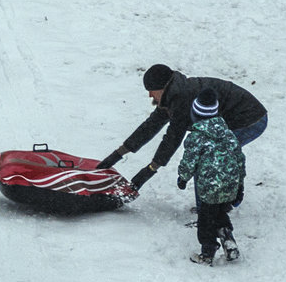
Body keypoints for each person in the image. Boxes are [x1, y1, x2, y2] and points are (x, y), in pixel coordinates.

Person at [96, 64, 267, 191]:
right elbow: (150, 126)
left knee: (209, 161)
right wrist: (117, 154)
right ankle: (215, 206)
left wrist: (149, 170)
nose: (149, 95)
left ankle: (213, 212)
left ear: (162, 88)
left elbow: (172, 137)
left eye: (151, 90)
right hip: (236, 117)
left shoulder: (182, 100)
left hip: (249, 119)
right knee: (210, 158)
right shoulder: (173, 94)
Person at [177, 88, 246, 265]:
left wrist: (183, 177)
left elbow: (189, 161)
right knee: (221, 213)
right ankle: (228, 240)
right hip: (230, 184)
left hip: (209, 188)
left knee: (206, 219)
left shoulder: (196, 137)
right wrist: (240, 186)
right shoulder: (229, 134)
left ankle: (207, 252)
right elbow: (240, 159)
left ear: (195, 115)